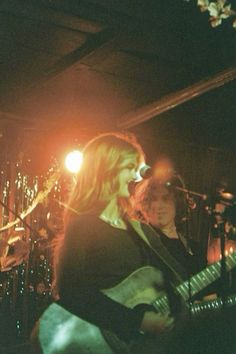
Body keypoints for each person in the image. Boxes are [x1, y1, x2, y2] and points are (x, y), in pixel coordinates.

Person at [37, 132, 188, 354]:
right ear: (105, 171)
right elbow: (73, 292)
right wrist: (136, 321)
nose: (136, 177)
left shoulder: (141, 229)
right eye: (128, 167)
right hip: (96, 343)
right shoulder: (83, 225)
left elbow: (177, 279)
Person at [132, 176, 206, 278]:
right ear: (144, 205)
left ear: (177, 203)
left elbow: (208, 292)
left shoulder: (195, 249)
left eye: (166, 199)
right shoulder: (140, 245)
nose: (159, 205)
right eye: (153, 199)